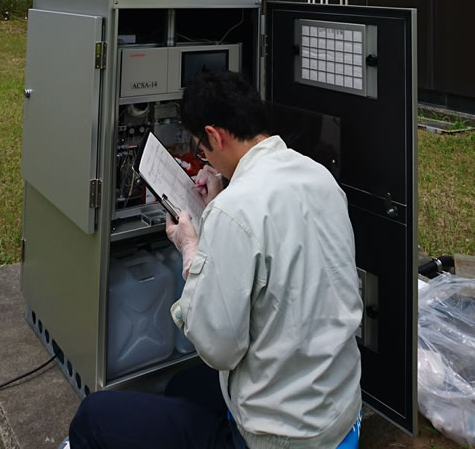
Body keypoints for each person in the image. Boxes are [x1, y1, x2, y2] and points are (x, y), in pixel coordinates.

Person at [66, 70, 363, 449]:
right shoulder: (319, 177)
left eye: (200, 149)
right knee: (183, 386)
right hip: (336, 410)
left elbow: (218, 348)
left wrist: (192, 248)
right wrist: (218, 211)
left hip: (282, 438)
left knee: (94, 416)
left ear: (216, 136)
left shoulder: (233, 212)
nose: (202, 158)